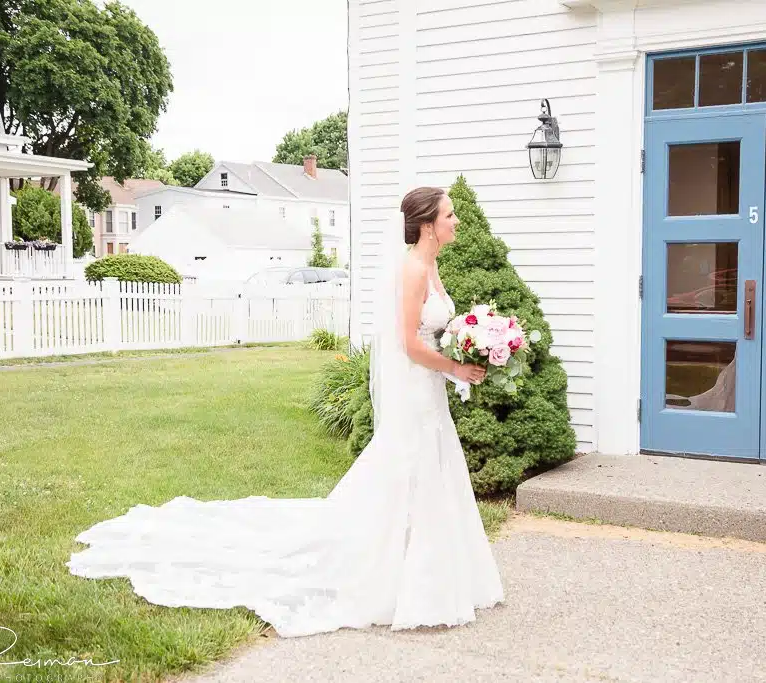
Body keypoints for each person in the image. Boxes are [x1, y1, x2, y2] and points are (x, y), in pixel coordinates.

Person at [67, 187, 505, 638]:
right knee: (406, 467)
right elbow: (410, 344)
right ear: (429, 224)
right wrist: (456, 366)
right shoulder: (412, 269)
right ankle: (393, 572)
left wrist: (469, 335)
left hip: (429, 388)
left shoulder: (431, 265)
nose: (457, 222)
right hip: (416, 388)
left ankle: (430, 569)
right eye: (450, 215)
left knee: (427, 470)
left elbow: (435, 327)